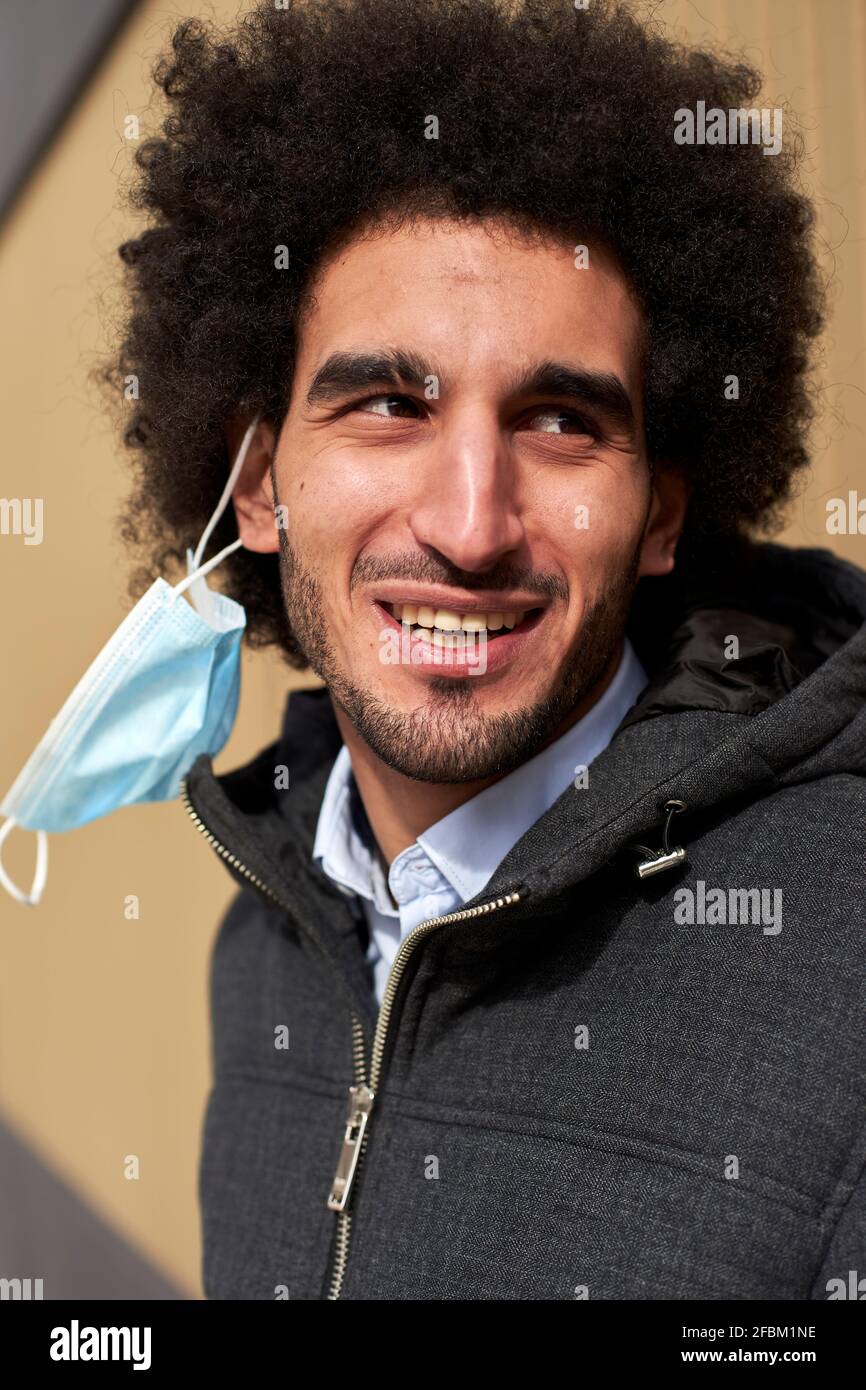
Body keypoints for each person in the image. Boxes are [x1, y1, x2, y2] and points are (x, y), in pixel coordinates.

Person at [111, 0, 866, 1299]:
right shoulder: (268, 936)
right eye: (389, 405)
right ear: (254, 485)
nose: (469, 525)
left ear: (663, 514)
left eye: (561, 420)